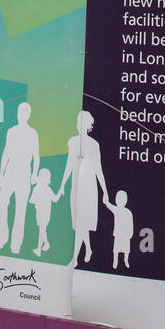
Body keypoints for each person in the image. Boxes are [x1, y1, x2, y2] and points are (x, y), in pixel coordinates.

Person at [56, 111, 109, 268]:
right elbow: (69, 165)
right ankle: (89, 249)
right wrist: (61, 185)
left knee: (81, 224)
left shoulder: (94, 145)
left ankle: (74, 259)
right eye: (78, 121)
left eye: (82, 122)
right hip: (76, 186)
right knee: (80, 223)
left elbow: (98, 169)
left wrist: (105, 192)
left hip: (89, 188)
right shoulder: (72, 141)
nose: (79, 125)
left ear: (87, 125)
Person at [0, 102, 40, 254]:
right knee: (1, 203)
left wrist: (35, 174)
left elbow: (36, 156)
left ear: (28, 115)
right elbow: (5, 153)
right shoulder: (11, 131)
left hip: (24, 173)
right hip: (10, 171)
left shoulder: (33, 133)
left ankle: (16, 244)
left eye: (24, 112)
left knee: (20, 209)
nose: (21, 115)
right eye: (19, 112)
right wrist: (1, 174)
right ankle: (2, 238)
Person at [29, 167, 59, 256]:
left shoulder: (40, 189)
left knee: (42, 229)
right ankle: (47, 244)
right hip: (40, 212)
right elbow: (55, 199)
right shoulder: (40, 188)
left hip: (44, 213)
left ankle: (39, 249)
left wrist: (60, 192)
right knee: (42, 229)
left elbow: (54, 199)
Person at [104, 190, 134, 270]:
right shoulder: (116, 209)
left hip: (126, 235)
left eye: (122, 199)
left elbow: (131, 224)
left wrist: (130, 233)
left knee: (126, 250)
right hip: (118, 234)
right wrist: (106, 201)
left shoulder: (128, 212)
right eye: (118, 199)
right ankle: (115, 261)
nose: (120, 201)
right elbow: (109, 205)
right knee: (116, 249)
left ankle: (126, 260)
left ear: (125, 201)